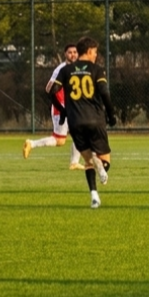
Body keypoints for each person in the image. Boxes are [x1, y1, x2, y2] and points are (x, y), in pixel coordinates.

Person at [53, 37, 116, 209]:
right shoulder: (97, 70)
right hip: (95, 120)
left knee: (88, 159)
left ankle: (94, 197)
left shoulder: (66, 70)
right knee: (105, 162)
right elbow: (104, 93)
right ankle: (101, 170)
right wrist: (111, 115)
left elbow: (52, 91)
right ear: (88, 51)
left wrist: (63, 109)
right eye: (95, 52)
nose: (96, 55)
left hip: (75, 122)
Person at [23, 43, 83, 170]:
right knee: (59, 140)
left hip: (72, 108)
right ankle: (31, 144)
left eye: (75, 52)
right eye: (70, 52)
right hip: (61, 108)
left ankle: (74, 163)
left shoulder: (79, 68)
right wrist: (60, 105)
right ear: (65, 54)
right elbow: (48, 88)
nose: (73, 54)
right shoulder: (60, 69)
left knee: (80, 134)